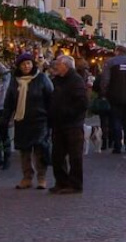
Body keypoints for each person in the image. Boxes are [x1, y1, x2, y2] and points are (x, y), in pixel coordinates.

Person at [5, 53, 53, 190]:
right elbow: (9, 100)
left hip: (40, 119)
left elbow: (50, 97)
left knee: (40, 149)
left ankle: (42, 177)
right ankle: (27, 177)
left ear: (33, 64)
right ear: (19, 66)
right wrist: (6, 118)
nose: (26, 66)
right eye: (23, 64)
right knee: (24, 150)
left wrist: (52, 117)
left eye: (28, 63)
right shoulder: (15, 81)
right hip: (22, 119)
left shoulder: (42, 78)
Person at [47, 54, 89, 194]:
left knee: (74, 156)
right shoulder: (57, 80)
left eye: (58, 65)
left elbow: (82, 103)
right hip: (58, 124)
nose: (56, 67)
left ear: (65, 66)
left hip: (73, 124)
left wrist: (68, 113)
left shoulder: (76, 81)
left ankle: (75, 184)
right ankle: (61, 182)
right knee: (57, 155)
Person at [99, 46, 126, 154]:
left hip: (114, 96)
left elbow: (105, 80)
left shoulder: (110, 62)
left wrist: (104, 92)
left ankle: (117, 146)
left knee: (115, 120)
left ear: (117, 52)